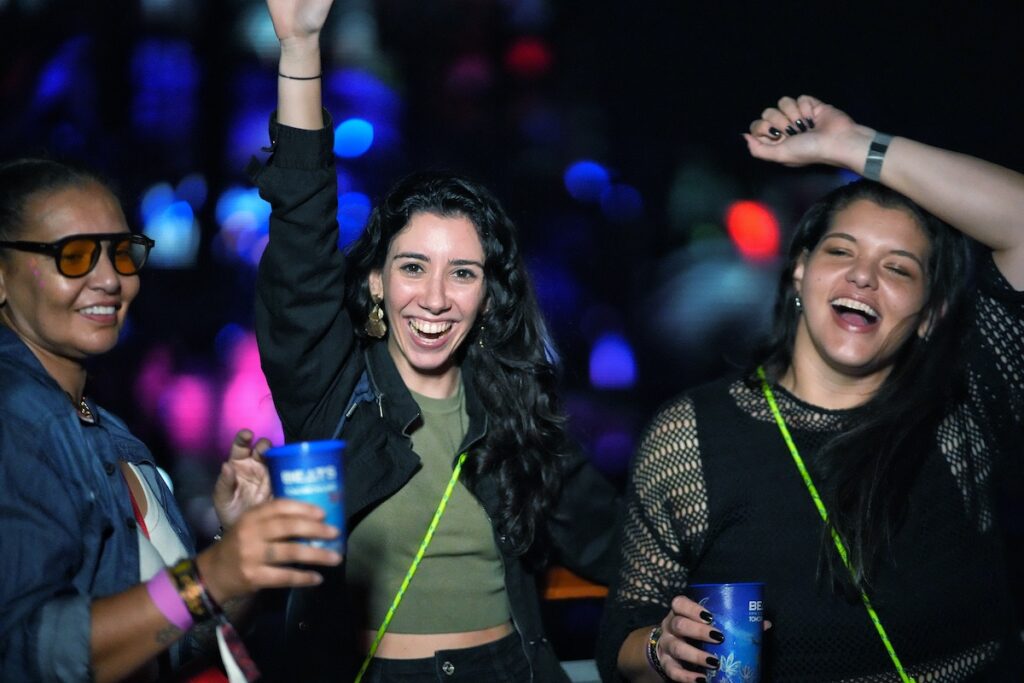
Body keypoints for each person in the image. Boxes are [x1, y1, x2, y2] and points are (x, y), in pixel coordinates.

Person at [251, 1, 620, 680]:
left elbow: (624, 543)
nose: (435, 296)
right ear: (374, 284)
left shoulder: (515, 412)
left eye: (464, 273)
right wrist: (300, 48)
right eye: (413, 267)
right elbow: (302, 232)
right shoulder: (333, 392)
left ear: (487, 296)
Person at [598, 94, 1024, 682]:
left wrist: (852, 147)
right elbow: (623, 635)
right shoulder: (692, 434)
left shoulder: (961, 413)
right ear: (800, 270)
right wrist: (663, 649)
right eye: (841, 251)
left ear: (931, 313)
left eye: (898, 268)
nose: (863, 276)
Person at [0, 158, 343, 682]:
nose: (111, 279)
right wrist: (211, 575)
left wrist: (237, 551)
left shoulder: (107, 430)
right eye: (73, 256)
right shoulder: (17, 420)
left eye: (121, 253)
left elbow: (176, 644)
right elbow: (30, 654)